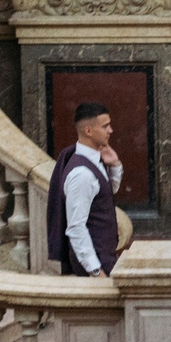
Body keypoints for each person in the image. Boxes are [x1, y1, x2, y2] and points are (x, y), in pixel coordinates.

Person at [50, 102, 123, 278]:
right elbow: (76, 228)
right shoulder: (81, 174)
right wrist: (96, 271)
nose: (110, 130)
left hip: (104, 258)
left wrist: (115, 165)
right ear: (88, 131)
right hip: (95, 268)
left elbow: (106, 194)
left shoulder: (94, 161)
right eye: (105, 126)